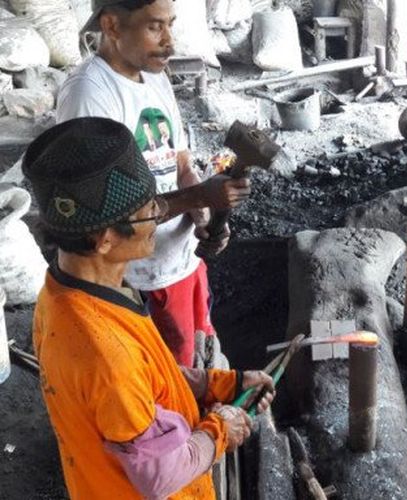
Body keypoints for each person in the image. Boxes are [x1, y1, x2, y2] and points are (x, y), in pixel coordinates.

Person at [24, 117, 274, 499]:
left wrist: (215, 384)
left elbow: (141, 380)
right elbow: (159, 476)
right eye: (149, 210)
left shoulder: (66, 288)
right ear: (106, 238)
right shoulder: (104, 352)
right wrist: (220, 428)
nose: (159, 214)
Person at [56, 0, 249, 367]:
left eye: (170, 25)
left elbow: (178, 161)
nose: (170, 42)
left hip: (181, 264)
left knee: (199, 361)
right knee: (165, 383)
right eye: (155, 27)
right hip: (136, 281)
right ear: (112, 26)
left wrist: (202, 217)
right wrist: (199, 194)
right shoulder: (89, 95)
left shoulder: (156, 78)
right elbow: (105, 215)